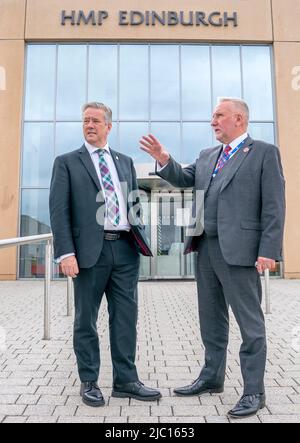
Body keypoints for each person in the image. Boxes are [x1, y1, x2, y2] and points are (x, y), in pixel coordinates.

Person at [140, 98, 285, 418]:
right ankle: (211, 378)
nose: (213, 122)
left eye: (219, 116)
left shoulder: (263, 152)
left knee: (251, 324)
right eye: (213, 116)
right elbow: (183, 178)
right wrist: (163, 159)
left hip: (242, 251)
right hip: (206, 248)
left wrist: (268, 250)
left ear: (239, 119)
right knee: (211, 320)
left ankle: (254, 391)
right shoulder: (207, 156)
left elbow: (274, 205)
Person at [49, 102, 161, 407]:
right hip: (88, 253)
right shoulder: (67, 162)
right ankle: (89, 381)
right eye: (85, 120)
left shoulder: (124, 162)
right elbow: (59, 212)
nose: (90, 125)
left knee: (125, 317)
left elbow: (133, 204)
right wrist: (65, 253)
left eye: (96, 121)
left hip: (125, 249)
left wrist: (141, 237)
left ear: (109, 126)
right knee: (86, 319)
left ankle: (126, 380)